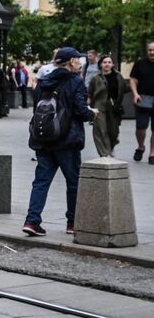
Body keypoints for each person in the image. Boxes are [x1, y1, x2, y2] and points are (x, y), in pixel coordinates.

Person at [23, 47, 96, 237]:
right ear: (71, 61)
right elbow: (81, 111)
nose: (80, 63)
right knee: (73, 182)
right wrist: (92, 113)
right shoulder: (76, 81)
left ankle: (32, 221)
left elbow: (37, 107)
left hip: (44, 138)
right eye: (78, 59)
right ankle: (72, 223)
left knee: (41, 181)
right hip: (67, 141)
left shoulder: (43, 81)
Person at [87, 54, 124, 159]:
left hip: (114, 106)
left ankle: (110, 146)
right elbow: (89, 93)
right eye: (104, 62)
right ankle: (104, 153)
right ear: (100, 64)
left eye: (109, 62)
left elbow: (124, 89)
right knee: (100, 129)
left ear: (112, 64)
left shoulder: (118, 76)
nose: (107, 64)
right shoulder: (95, 78)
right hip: (99, 105)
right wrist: (88, 106)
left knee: (113, 131)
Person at [132, 41, 154, 164]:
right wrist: (135, 94)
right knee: (141, 127)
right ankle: (141, 147)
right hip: (143, 99)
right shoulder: (140, 64)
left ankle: (152, 153)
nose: (152, 52)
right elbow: (133, 80)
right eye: (150, 50)